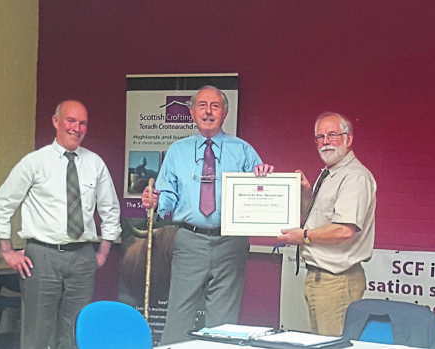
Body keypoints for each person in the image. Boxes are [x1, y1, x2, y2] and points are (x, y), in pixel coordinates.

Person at [142, 85, 273, 344]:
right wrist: (156, 202)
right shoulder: (177, 151)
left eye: (215, 106)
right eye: (202, 105)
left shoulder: (243, 150)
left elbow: (261, 193)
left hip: (231, 243)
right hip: (189, 240)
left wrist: (265, 177)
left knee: (223, 322)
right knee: (179, 315)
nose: (208, 111)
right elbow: (167, 198)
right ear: (192, 112)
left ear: (225, 113)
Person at [0, 100, 122, 349]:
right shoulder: (34, 162)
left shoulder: (95, 163)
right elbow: (2, 203)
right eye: (71, 121)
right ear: (56, 122)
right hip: (42, 257)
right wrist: (6, 250)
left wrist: (103, 251)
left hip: (82, 257)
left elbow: (110, 209)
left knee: (75, 333)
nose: (77, 128)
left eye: (82, 123)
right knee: (37, 333)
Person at [279, 112, 376, 336]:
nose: (325, 142)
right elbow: (318, 220)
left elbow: (343, 230)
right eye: (320, 137)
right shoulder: (330, 174)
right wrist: (306, 194)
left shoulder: (354, 177)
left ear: (348, 139)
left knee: (332, 344)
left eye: (332, 135)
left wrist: (302, 236)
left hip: (337, 281)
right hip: (320, 278)